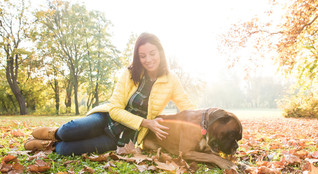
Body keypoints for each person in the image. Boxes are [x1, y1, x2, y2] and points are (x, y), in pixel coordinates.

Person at [24, 32, 195, 155]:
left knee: (65, 149)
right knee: (70, 130)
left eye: (152, 54)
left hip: (121, 138)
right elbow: (115, 109)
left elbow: (189, 109)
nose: (148, 59)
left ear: (160, 53)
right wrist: (146, 122)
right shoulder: (130, 73)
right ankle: (52, 134)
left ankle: (48, 145)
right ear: (138, 57)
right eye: (142, 56)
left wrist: (205, 122)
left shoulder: (171, 79)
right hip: (106, 119)